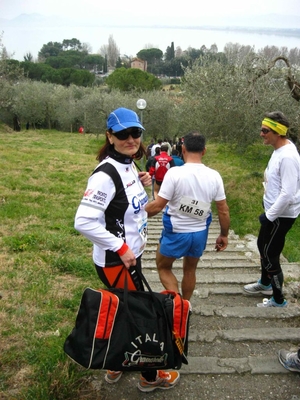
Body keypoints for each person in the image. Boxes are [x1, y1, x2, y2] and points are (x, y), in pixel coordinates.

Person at [74, 107, 180, 392]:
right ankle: (150, 376)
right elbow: (83, 221)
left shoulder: (128, 164)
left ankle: (115, 364)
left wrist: (141, 180)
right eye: (122, 134)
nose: (131, 139)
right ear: (110, 137)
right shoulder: (105, 175)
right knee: (139, 317)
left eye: (136, 133)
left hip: (131, 256)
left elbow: (125, 203)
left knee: (125, 311)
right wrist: (120, 246)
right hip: (117, 260)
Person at [145, 131, 230, 300]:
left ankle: (177, 305)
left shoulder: (174, 174)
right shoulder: (215, 176)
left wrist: (134, 214)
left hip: (176, 232)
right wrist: (224, 234)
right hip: (200, 232)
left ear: (182, 149)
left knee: (163, 267)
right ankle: (186, 304)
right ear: (204, 151)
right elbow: (223, 210)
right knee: (190, 270)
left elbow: (158, 206)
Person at [243, 111, 300, 307]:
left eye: (265, 130)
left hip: (281, 215)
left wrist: (269, 216)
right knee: (262, 245)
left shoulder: (288, 157)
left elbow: (289, 193)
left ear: (278, 132)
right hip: (273, 211)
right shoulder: (279, 150)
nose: (261, 134)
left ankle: (278, 299)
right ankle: (265, 283)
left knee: (270, 254)